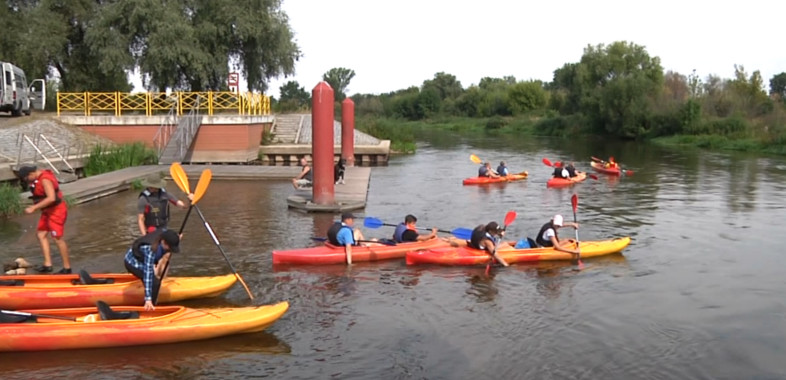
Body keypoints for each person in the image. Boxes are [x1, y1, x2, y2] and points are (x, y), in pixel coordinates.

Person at [17, 165, 71, 274]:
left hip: (57, 211)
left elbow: (51, 198)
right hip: (47, 211)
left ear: (31, 174)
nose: (27, 182)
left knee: (57, 238)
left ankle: (67, 268)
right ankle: (48, 264)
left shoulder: (45, 179)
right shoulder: (37, 178)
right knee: (41, 235)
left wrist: (34, 207)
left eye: (26, 179)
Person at [123, 229, 181, 311]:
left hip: (142, 260)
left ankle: (151, 301)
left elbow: (170, 234)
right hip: (132, 263)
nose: (170, 250)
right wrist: (148, 298)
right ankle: (149, 306)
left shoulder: (164, 234)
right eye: (170, 247)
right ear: (163, 242)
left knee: (155, 282)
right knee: (154, 283)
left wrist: (177, 239)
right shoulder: (150, 249)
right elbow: (148, 274)